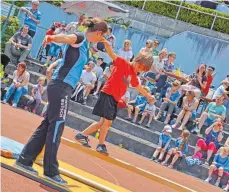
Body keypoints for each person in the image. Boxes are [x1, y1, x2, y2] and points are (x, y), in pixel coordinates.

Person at [15, 18, 109, 185]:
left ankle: (24, 159)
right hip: (61, 86)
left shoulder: (86, 45)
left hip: (63, 86)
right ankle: (51, 171)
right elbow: (67, 38)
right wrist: (52, 38)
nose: (101, 41)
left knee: (48, 124)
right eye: (102, 38)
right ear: (99, 33)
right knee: (57, 125)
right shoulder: (80, 37)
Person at [75, 39, 154, 155]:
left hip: (114, 98)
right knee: (107, 122)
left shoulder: (133, 74)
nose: (139, 69)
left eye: (142, 70)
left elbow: (138, 86)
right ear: (136, 60)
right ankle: (101, 145)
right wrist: (107, 45)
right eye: (139, 66)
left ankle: (82, 135)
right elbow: (112, 55)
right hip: (108, 93)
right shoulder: (124, 63)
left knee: (103, 122)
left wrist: (147, 95)